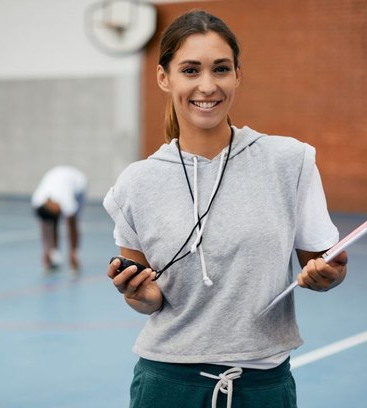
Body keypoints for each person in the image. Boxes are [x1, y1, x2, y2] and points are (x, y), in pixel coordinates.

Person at [102, 10, 348, 408]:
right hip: (166, 385)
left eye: (220, 69)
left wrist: (327, 275)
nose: (207, 85)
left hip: (262, 386)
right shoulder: (137, 182)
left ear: (237, 75)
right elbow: (146, 299)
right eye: (190, 70)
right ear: (164, 77)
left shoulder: (289, 161)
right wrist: (140, 294)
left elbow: (324, 266)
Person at [32, 166, 87, 274]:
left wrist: (73, 253)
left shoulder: (66, 198)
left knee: (73, 219)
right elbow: (44, 225)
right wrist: (46, 250)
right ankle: (54, 254)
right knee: (52, 222)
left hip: (79, 184)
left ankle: (74, 254)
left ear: (49, 201)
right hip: (55, 175)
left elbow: (72, 225)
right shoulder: (37, 200)